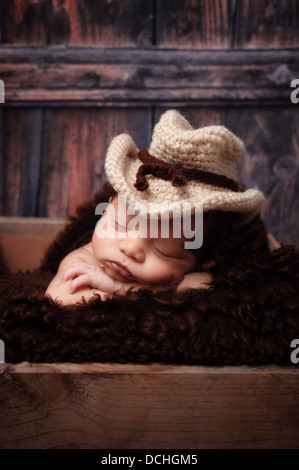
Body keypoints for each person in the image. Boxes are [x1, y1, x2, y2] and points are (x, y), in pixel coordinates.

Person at [45, 110, 264, 305]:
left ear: (201, 263)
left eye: (162, 250)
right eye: (120, 225)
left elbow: (202, 287)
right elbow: (60, 297)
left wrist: (119, 290)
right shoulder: (82, 261)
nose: (131, 248)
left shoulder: (194, 276)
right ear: (106, 209)